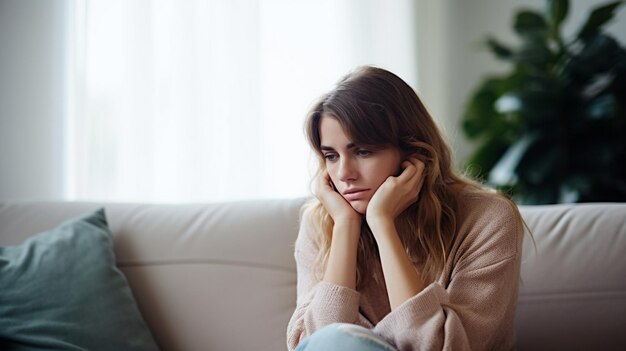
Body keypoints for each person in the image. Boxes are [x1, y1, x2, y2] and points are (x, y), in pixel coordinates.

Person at [287, 66, 525, 351]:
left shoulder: (488, 219)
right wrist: (346, 227)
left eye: (362, 151)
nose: (344, 173)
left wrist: (382, 223)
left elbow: (436, 347)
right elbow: (314, 344)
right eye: (331, 156)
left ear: (412, 152)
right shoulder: (325, 222)